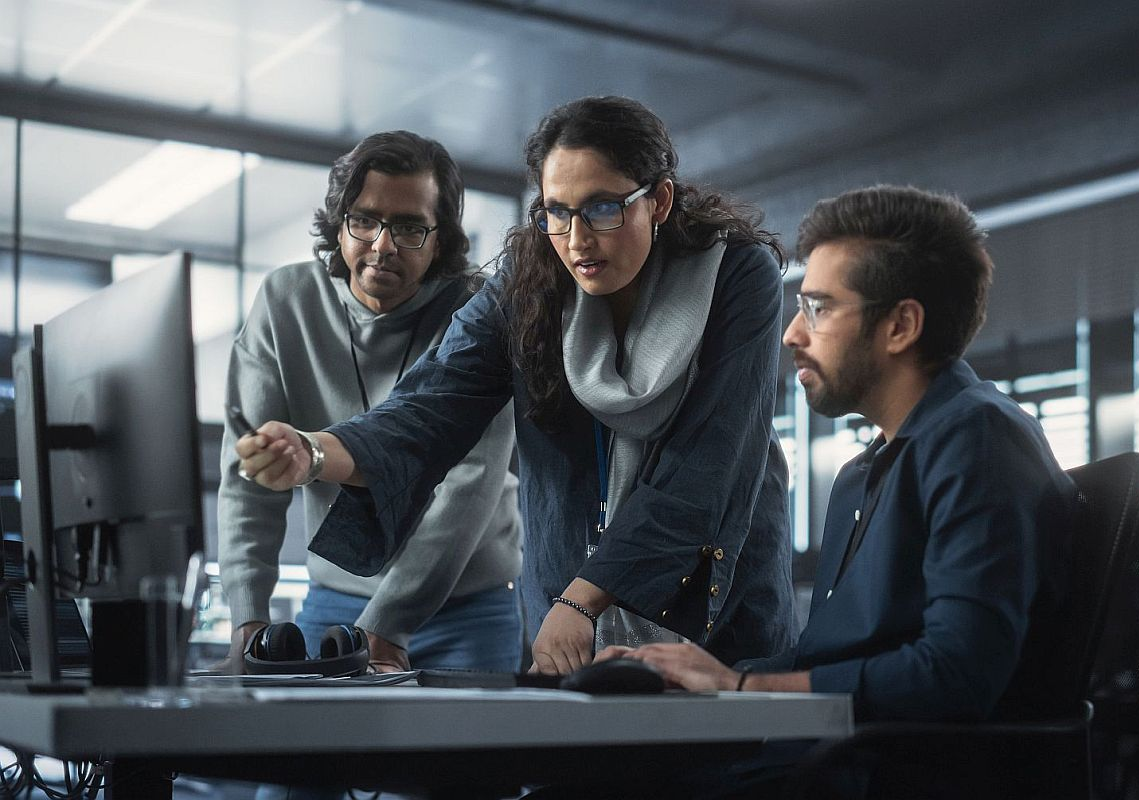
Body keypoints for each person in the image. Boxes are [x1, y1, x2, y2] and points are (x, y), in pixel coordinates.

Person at [235, 95, 796, 674]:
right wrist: (315, 452)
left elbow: (707, 465)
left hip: (708, 607)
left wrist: (587, 595)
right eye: (556, 210)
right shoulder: (528, 281)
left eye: (603, 208)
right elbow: (429, 405)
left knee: (719, 762)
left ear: (658, 200)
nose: (576, 240)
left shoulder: (735, 275)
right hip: (564, 608)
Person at [600, 185, 1075, 728]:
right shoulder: (864, 473)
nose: (792, 334)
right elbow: (830, 660)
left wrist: (740, 687)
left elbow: (956, 674)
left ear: (901, 326)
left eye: (818, 308)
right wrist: (698, 674)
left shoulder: (978, 440)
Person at [218, 130, 523, 676]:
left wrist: (389, 625)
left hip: (468, 607)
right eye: (364, 219)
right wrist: (248, 624)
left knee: (466, 762)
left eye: (409, 227)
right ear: (340, 223)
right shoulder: (287, 301)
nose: (382, 245)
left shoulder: (480, 311)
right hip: (335, 601)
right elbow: (250, 473)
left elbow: (469, 483)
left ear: (440, 238)